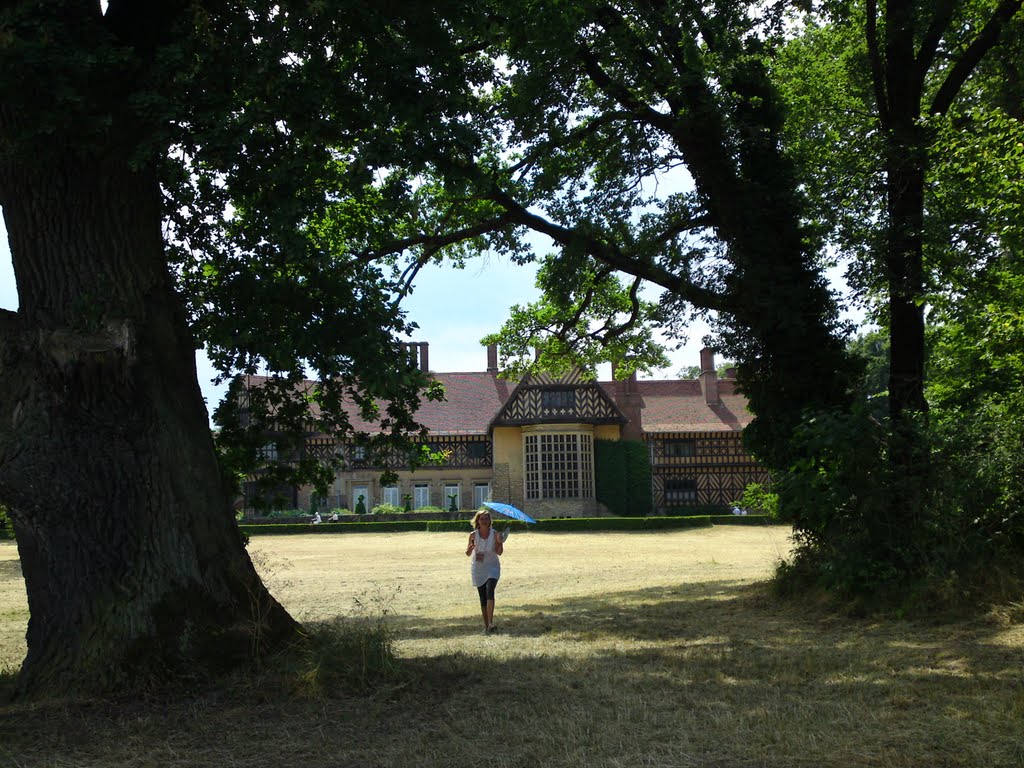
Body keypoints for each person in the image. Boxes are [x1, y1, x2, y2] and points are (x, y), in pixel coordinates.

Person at [466, 508, 504, 634]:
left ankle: (491, 622)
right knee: (482, 597)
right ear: (478, 521)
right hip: (478, 568)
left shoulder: (495, 534)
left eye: (486, 518)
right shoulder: (473, 535)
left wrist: (499, 542)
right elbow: (467, 553)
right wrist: (470, 549)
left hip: (492, 566)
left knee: (490, 590)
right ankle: (487, 626)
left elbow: (499, 552)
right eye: (482, 519)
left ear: (489, 521)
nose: (484, 521)